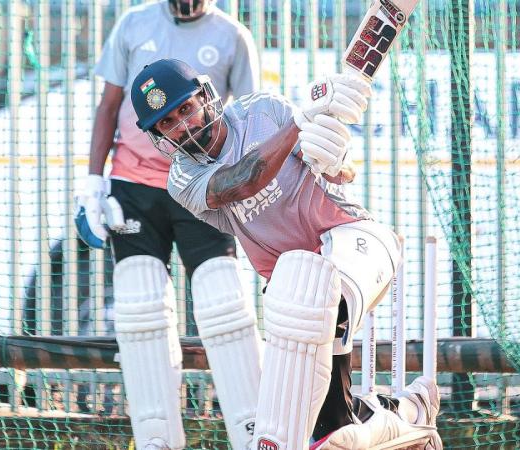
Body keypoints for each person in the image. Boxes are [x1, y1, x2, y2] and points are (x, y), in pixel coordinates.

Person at [129, 58, 443, 450]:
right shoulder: (182, 179)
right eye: (168, 122)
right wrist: (301, 122)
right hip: (297, 297)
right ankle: (410, 413)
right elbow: (240, 182)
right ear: (157, 134)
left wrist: (337, 160)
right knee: (335, 430)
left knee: (314, 289)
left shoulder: (262, 111)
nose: (184, 125)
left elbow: (341, 174)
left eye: (186, 109)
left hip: (357, 243)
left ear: (205, 97)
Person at [73, 2, 261, 449]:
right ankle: (157, 440)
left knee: (224, 305)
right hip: (135, 184)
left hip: (204, 180)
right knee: (140, 311)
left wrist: (249, 184)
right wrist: (93, 184)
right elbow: (109, 105)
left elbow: (248, 115)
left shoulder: (233, 36)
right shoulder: (133, 24)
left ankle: (256, 436)